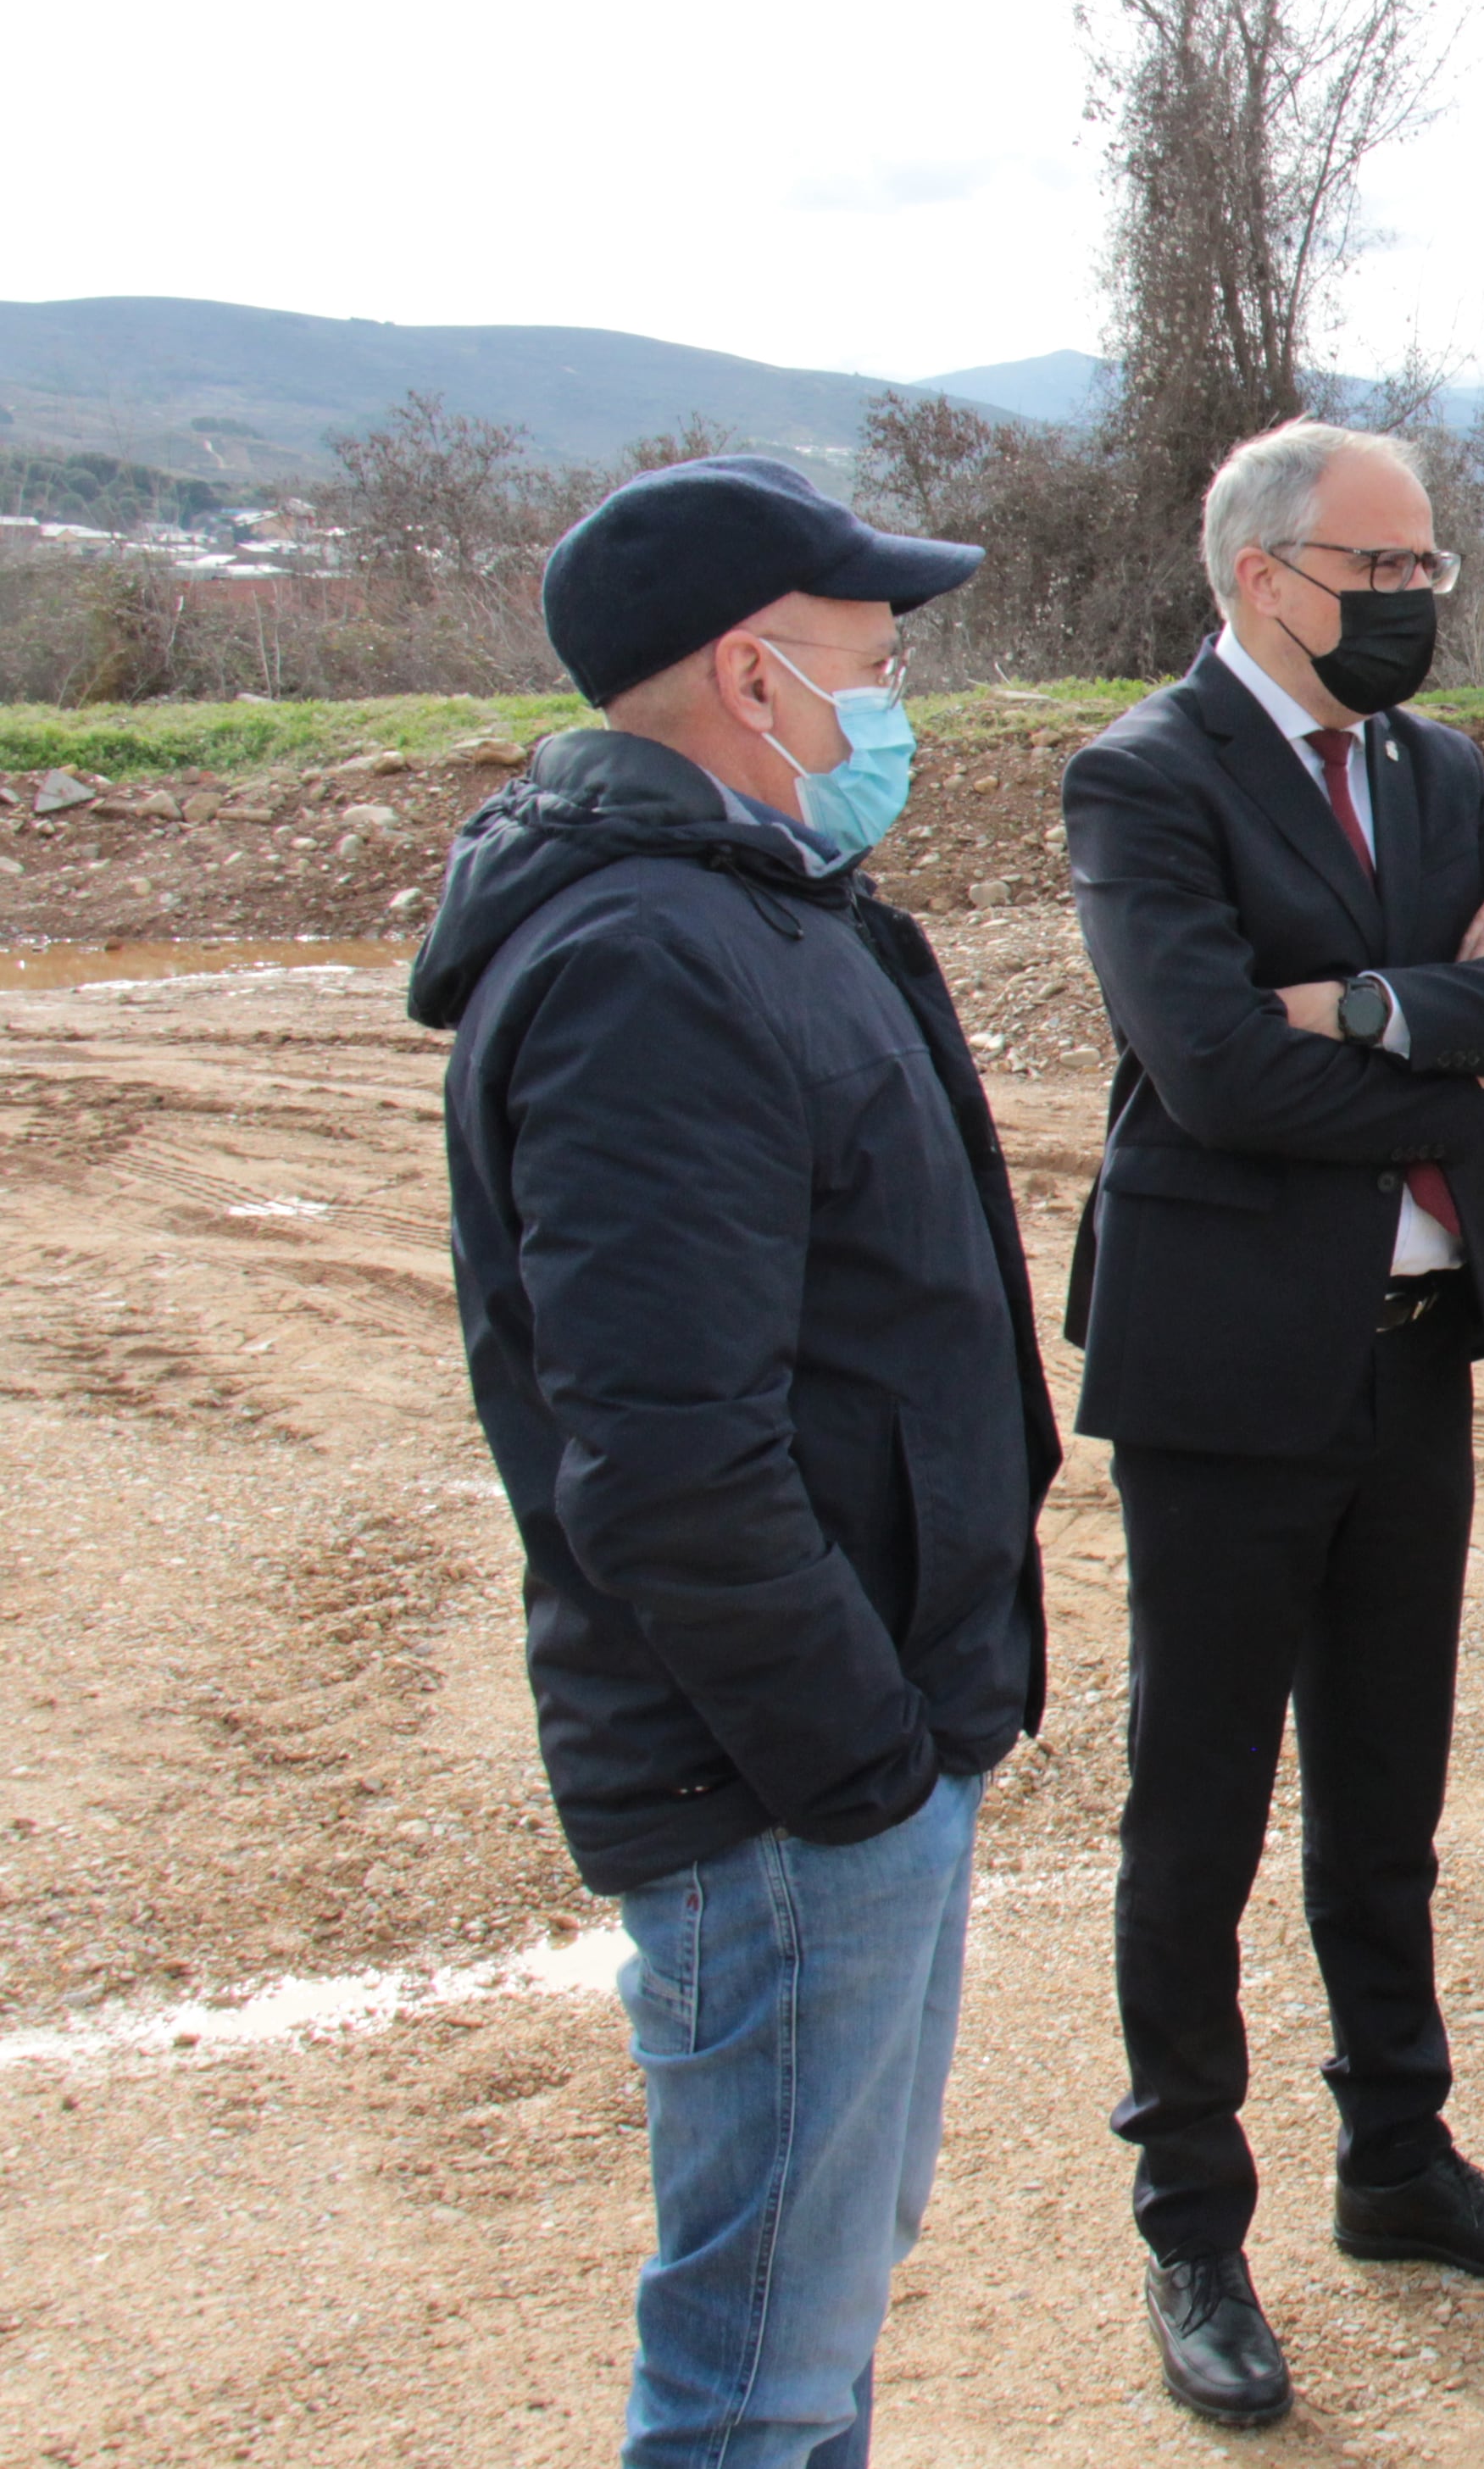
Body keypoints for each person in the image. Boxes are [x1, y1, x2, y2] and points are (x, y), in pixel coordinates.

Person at [414, 455, 1059, 2469]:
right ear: (749, 673)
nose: (897, 693)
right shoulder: (646, 964)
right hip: (787, 1778)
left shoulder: (761, 910)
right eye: (872, 651)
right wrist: (858, 1762)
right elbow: (669, 1457)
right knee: (755, 2369)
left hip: (858, 1739)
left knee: (816, 2313)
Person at [1060, 420, 1484, 2427]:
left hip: (1409, 1347)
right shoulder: (1143, 774)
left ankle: (1399, 2158)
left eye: (1425, 566)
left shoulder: (1430, 768)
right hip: (1222, 1368)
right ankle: (1194, 2221)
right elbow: (1207, 1072)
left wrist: (1362, 1006)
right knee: (1197, 1808)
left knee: (1386, 1792)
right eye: (1374, 567)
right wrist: (1439, 1041)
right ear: (1257, 577)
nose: (1412, 598)